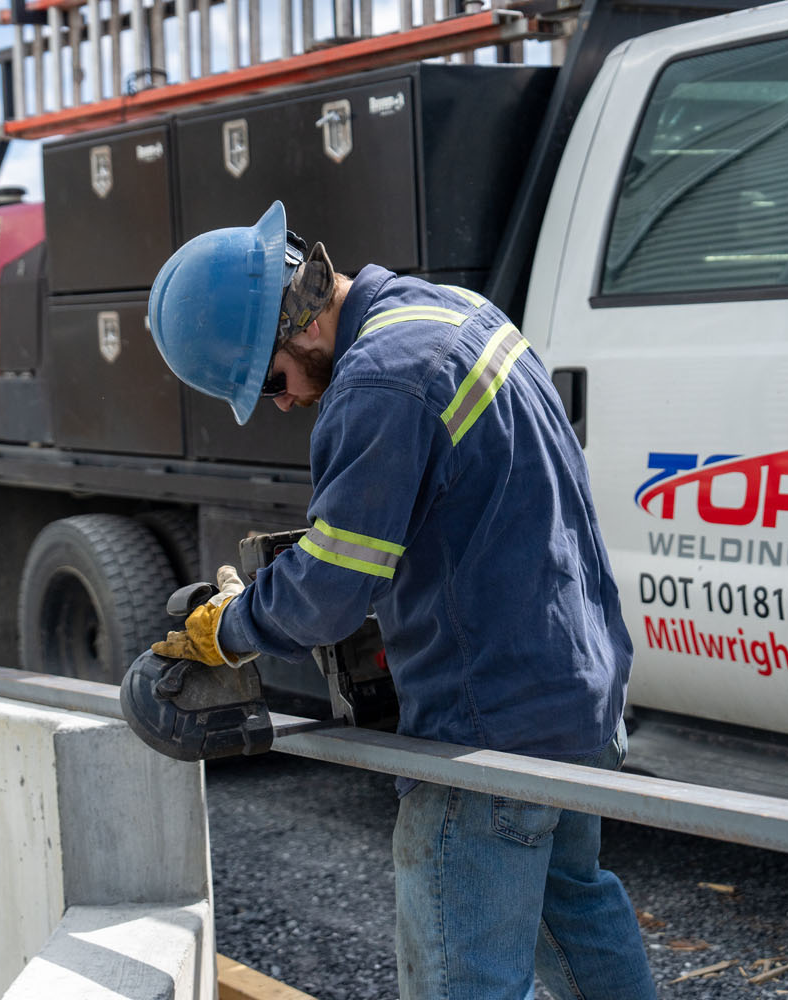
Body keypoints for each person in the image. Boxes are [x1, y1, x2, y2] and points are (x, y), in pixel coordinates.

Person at [141, 201, 656, 999]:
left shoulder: (382, 379)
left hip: (489, 730)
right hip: (575, 694)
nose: (281, 402)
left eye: (270, 381)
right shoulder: (451, 312)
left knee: (464, 982)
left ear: (299, 321)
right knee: (573, 914)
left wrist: (228, 627)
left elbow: (329, 597)